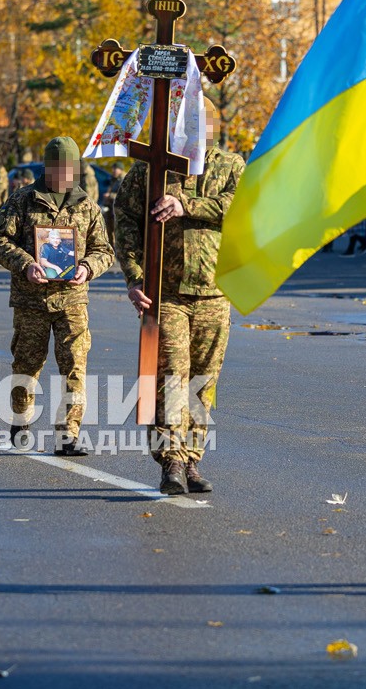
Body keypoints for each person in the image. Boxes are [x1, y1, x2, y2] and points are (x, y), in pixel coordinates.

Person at [112, 114, 244, 495]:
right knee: (172, 379)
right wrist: (135, 278)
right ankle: (170, 460)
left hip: (215, 294)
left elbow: (242, 205)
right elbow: (125, 222)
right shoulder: (151, 169)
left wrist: (185, 204)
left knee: (203, 384)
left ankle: (192, 459)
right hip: (165, 294)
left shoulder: (231, 166)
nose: (194, 132)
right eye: (187, 124)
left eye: (202, 125)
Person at [0, 136, 114, 455]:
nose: (65, 172)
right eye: (59, 166)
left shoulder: (85, 205)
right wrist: (26, 264)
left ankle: (68, 433)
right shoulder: (22, 200)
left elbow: (104, 249)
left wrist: (87, 267)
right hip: (32, 300)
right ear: (48, 166)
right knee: (27, 364)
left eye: (70, 166)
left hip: (72, 300)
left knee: (74, 365)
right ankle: (21, 420)